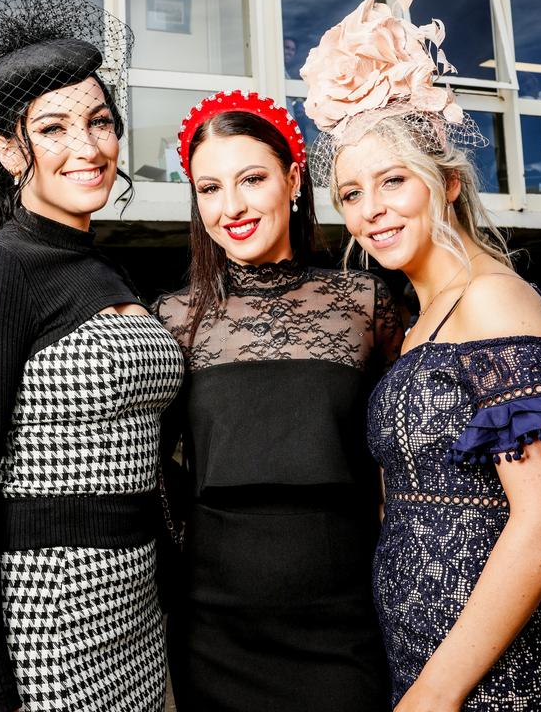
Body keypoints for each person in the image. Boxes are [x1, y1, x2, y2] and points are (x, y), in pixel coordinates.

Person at [301, 0, 541, 711]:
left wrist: (436, 694)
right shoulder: (420, 318)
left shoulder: (493, 297)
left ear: (443, 183)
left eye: (391, 181)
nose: (369, 209)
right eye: (349, 194)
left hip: (490, 679)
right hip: (416, 656)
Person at [0, 0, 184, 712]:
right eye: (54, 127)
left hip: (131, 615)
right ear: (11, 150)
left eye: (99, 121)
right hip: (39, 624)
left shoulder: (103, 268)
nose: (88, 146)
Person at [155, 89, 403, 711]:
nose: (230, 206)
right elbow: (149, 470)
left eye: (251, 178)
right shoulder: (173, 317)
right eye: (209, 188)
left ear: (293, 180)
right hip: (215, 624)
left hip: (346, 614)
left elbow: (412, 446)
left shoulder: (366, 303)